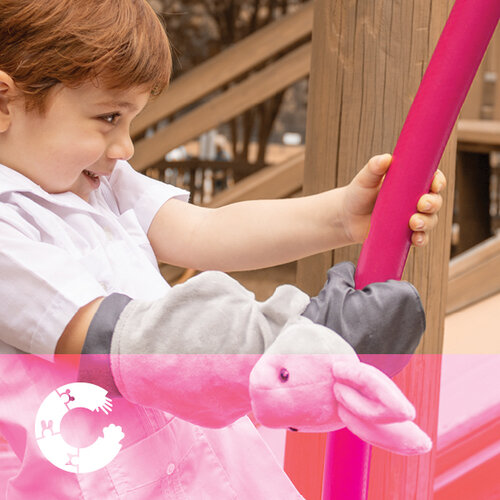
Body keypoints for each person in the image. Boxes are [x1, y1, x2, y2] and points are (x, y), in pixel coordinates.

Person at [0, 0, 446, 498]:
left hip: (210, 467)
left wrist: (341, 215)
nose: (125, 147)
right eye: (108, 117)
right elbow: (110, 338)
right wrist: (287, 339)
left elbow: (207, 231)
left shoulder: (96, 183)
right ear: (4, 104)